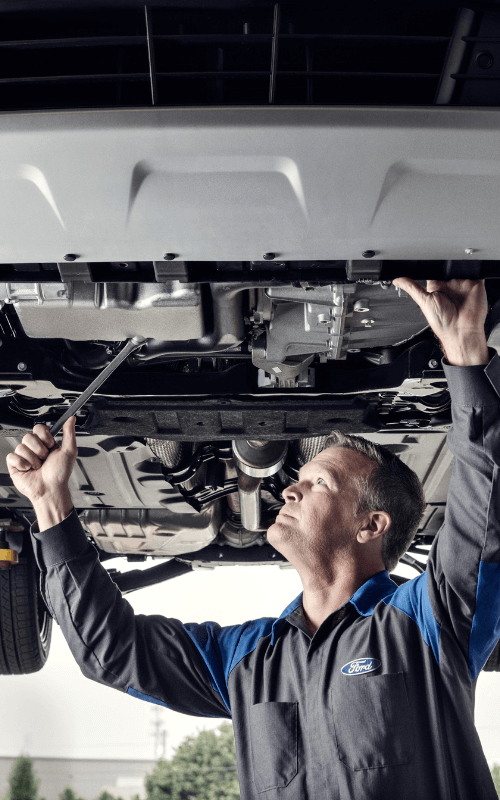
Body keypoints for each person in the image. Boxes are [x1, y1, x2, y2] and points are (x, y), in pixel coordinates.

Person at [6, 278, 500, 800]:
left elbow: (483, 512)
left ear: (371, 526)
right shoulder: (249, 660)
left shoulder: (426, 622)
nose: (289, 487)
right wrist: (49, 502)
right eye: (302, 478)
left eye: (318, 483)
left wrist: (466, 354)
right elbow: (112, 651)